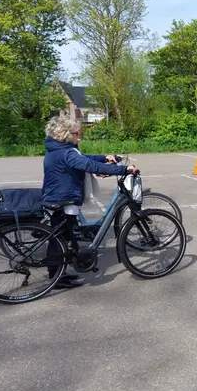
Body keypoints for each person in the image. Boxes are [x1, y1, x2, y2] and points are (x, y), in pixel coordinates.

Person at [42, 116, 138, 289]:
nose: (79, 137)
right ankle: (56, 277)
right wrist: (124, 169)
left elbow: (84, 159)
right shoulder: (67, 152)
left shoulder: (57, 149)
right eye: (77, 134)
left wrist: (104, 158)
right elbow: (89, 166)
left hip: (57, 195)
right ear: (67, 134)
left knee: (62, 236)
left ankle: (58, 274)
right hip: (63, 199)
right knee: (59, 239)